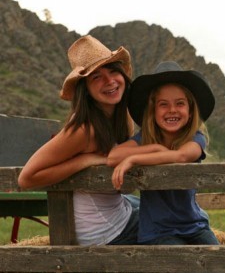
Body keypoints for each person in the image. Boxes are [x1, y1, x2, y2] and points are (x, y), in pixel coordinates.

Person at [107, 61, 225, 273]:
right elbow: (113, 157)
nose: (172, 110)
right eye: (163, 104)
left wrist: (135, 158)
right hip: (159, 231)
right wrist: (152, 148)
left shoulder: (195, 138)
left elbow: (181, 156)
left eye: (180, 103)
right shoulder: (143, 140)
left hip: (195, 225)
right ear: (152, 110)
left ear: (190, 110)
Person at [17, 35, 139, 246]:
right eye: (96, 77)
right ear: (86, 90)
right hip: (103, 232)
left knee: (164, 208)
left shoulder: (122, 117)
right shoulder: (84, 129)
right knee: (177, 220)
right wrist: (85, 161)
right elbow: (27, 178)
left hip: (113, 211)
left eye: (113, 71)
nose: (109, 81)